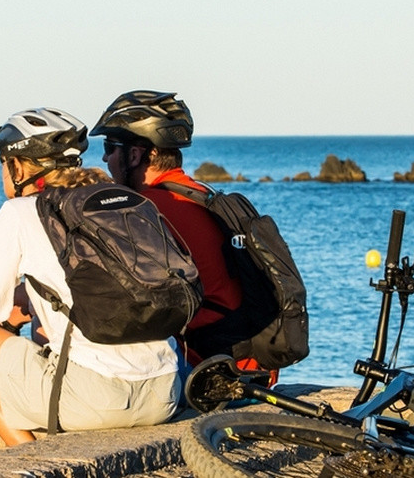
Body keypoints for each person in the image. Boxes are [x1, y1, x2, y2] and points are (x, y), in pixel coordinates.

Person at [0, 108, 182, 446]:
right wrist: (24, 298)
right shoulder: (120, 202)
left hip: (98, 401)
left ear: (16, 167)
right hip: (166, 391)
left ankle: (23, 451)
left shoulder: (20, 212)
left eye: (3, 164)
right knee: (33, 312)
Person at [89, 90, 277, 384]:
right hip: (248, 358)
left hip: (206, 364)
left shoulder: (146, 211)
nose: (104, 157)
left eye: (110, 146)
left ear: (136, 154)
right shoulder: (201, 195)